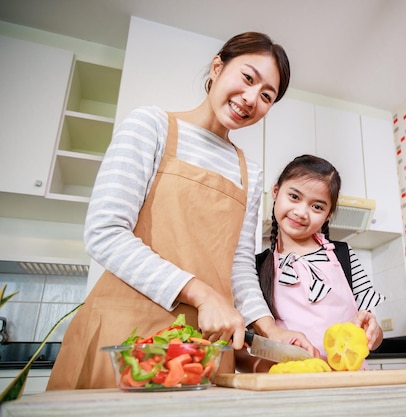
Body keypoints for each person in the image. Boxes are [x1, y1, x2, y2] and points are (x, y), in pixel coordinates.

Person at [47, 32, 314, 390]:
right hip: (126, 336)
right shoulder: (151, 126)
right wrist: (202, 294)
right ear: (218, 67)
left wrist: (271, 329)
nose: (251, 98)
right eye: (248, 78)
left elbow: (238, 267)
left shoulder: (250, 172)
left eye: (267, 96)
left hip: (204, 347)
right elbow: (105, 233)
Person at [236, 155, 385, 373]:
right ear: (276, 192)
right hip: (290, 387)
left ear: (328, 215)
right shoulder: (252, 270)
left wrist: (373, 332)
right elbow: (242, 349)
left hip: (351, 384)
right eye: (294, 196)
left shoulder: (344, 255)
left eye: (317, 206)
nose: (301, 212)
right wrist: (269, 370)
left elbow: (374, 335)